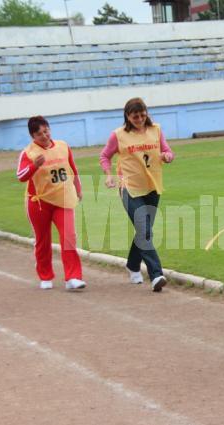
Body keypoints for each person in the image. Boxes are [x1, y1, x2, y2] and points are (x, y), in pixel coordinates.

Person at [99, 98, 174, 292]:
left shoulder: (156, 130)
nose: (139, 119)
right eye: (135, 116)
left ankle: (133, 265)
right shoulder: (118, 135)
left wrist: (167, 156)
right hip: (129, 188)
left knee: (144, 230)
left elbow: (167, 150)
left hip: (152, 186)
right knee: (145, 229)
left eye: (142, 115)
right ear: (127, 116)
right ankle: (156, 274)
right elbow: (105, 156)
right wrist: (108, 176)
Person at [16, 115, 85, 291]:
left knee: (69, 237)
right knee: (42, 239)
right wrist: (34, 166)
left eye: (46, 131)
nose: (45, 136)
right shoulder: (29, 153)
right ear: (33, 136)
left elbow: (73, 169)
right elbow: (21, 176)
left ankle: (73, 277)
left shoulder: (62, 146)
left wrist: (78, 188)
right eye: (39, 134)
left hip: (63, 199)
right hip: (39, 202)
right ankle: (45, 275)